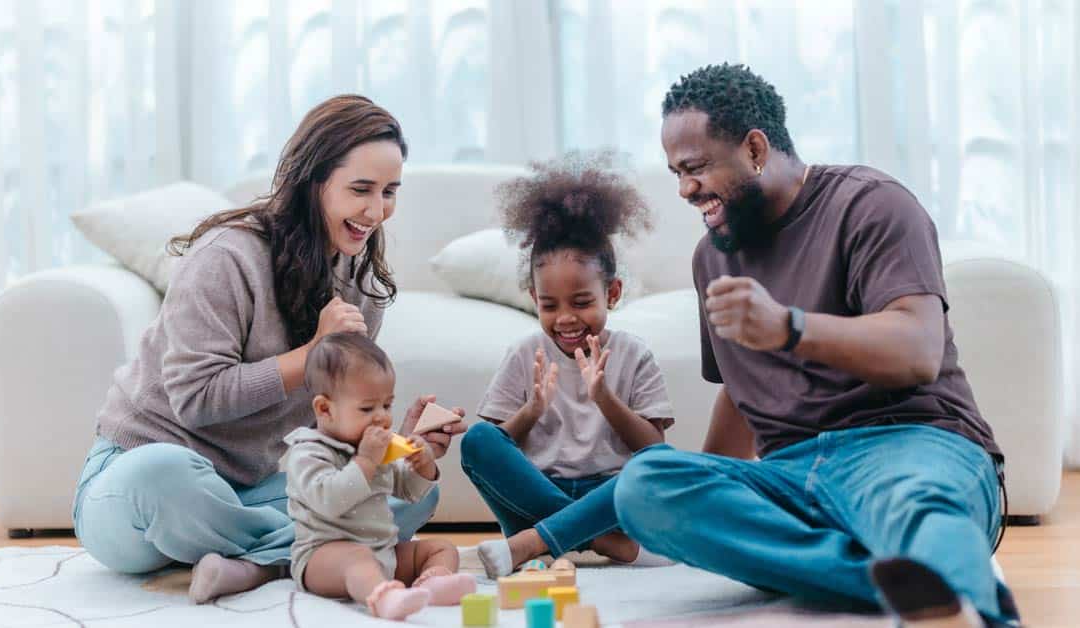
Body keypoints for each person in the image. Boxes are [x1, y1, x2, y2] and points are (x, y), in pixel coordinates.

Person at [612, 64, 1020, 628]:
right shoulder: (713, 255)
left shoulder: (871, 204)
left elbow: (918, 349)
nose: (684, 189)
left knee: (918, 504)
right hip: (791, 477)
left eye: (696, 168)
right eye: (676, 173)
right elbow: (739, 387)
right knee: (646, 485)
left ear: (755, 149)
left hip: (905, 444)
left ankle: (963, 604)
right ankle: (907, 583)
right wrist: (703, 489)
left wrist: (789, 327)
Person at [71, 95, 467, 602]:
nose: (376, 210)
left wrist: (395, 445)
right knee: (165, 475)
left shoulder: (361, 287)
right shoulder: (226, 259)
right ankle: (290, 559)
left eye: (390, 192)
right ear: (313, 181)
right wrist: (311, 354)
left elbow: (330, 425)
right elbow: (195, 401)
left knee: (408, 489)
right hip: (144, 486)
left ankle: (247, 562)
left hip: (253, 491)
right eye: (361, 189)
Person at [460, 154, 676, 578]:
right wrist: (531, 412)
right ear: (531, 296)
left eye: (581, 303)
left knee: (663, 464)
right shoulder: (525, 354)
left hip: (606, 496)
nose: (566, 318)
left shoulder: (634, 355)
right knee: (477, 440)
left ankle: (535, 542)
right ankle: (593, 540)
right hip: (537, 494)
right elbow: (496, 448)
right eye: (548, 305)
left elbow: (651, 448)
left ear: (612, 293)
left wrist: (606, 399)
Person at [277, 332, 475, 620]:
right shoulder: (308, 451)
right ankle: (383, 599)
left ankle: (434, 583)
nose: (382, 416)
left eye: (386, 404)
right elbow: (329, 500)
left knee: (440, 548)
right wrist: (366, 461)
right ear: (324, 408)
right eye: (368, 408)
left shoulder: (373, 447)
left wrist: (422, 465)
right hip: (324, 558)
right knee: (358, 559)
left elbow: (409, 492)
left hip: (384, 553)